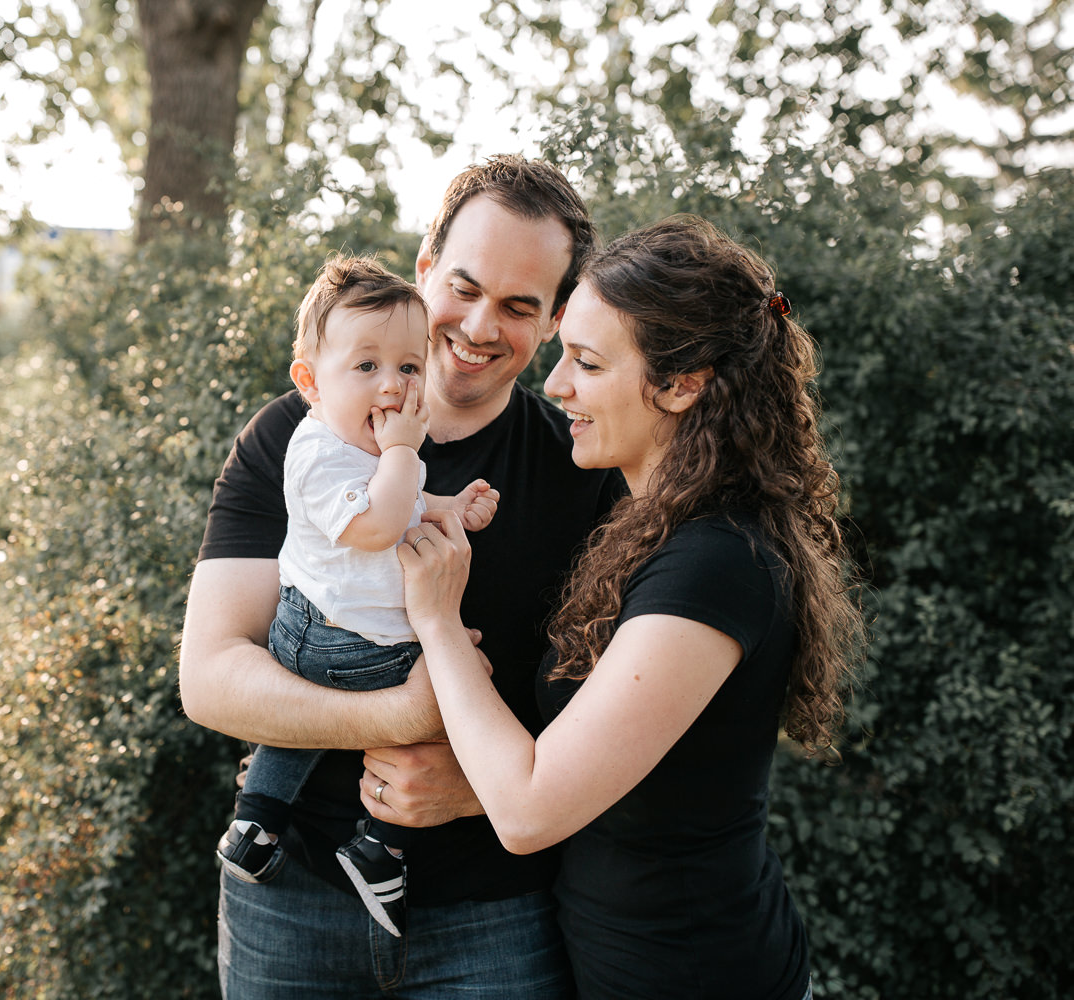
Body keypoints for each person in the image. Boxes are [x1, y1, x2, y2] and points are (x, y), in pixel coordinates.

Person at [180, 155, 624, 998]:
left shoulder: (586, 465)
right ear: (425, 268)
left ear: (556, 319)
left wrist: (490, 790)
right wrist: (396, 715)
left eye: (520, 306)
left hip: (495, 913)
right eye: (463, 287)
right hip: (291, 900)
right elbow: (210, 677)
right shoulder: (289, 438)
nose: (481, 326)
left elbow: (618, 710)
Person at [397, 214, 865, 1000]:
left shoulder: (717, 563)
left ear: (682, 384)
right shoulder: (654, 525)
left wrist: (438, 623)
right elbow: (642, 774)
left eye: (586, 362)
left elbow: (529, 811)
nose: (554, 385)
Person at [215, 253, 501, 938]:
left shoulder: (370, 453)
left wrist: (450, 505)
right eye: (366, 367)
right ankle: (379, 843)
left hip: (337, 631)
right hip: (333, 636)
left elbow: (401, 504)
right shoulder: (316, 451)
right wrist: (405, 450)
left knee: (311, 725)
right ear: (311, 383)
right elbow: (376, 526)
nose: (393, 385)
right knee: (463, 674)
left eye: (408, 366)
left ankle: (256, 823)